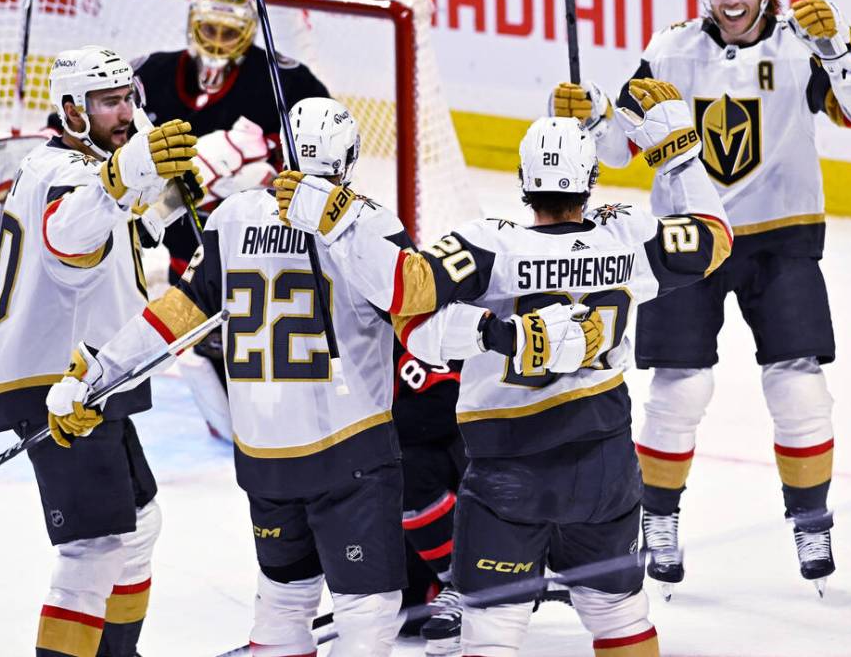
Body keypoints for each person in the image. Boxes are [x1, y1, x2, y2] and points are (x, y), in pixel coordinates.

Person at [44, 97, 521, 655]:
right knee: (368, 615)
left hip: (263, 460)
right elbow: (415, 310)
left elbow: (177, 314)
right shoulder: (364, 221)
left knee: (283, 602)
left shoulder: (232, 217)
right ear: (347, 160)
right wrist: (493, 333)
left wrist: (100, 374)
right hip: (351, 457)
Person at [274, 79, 733, 656]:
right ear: (591, 182)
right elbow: (715, 239)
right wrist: (678, 155)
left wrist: (339, 220)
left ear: (521, 180)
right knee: (619, 615)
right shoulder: (629, 234)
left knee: (493, 630)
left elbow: (407, 290)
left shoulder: (491, 246)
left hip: (511, 472)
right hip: (607, 465)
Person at [553, 0, 851, 595]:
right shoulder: (670, 47)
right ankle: (659, 518)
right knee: (680, 389)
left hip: (780, 237)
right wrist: (592, 116)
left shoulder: (803, 41)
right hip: (689, 235)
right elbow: (620, 149)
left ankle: (811, 518)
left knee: (799, 388)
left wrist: (841, 49)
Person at [0, 46, 200, 656]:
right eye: (108, 102)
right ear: (73, 109)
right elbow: (69, 233)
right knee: (94, 547)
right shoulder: (65, 174)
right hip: (53, 383)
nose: (125, 111)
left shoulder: (83, 163)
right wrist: (126, 175)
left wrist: (175, 197)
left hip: (84, 375)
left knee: (138, 526)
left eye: (128, 96)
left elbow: (120, 223)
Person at [134, 0, 331, 442]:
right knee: (223, 402)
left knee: (276, 380)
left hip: (269, 252)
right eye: (210, 29)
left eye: (229, 32)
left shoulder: (286, 80)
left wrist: (271, 170)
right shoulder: (152, 74)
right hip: (189, 256)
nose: (218, 41)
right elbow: (102, 131)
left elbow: (329, 149)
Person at [390, 345, 467, 651]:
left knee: (407, 470)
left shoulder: (427, 326)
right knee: (408, 617)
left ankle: (463, 577)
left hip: (455, 459)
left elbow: (446, 408)